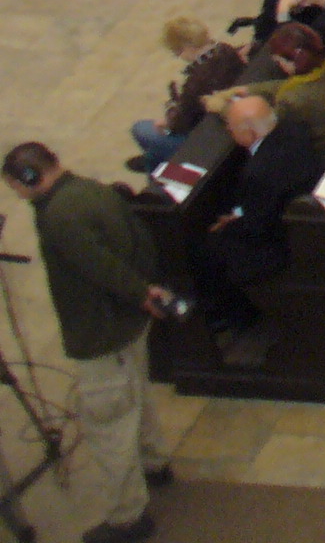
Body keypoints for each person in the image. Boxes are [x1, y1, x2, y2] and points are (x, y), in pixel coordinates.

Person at [5, 141, 171, 543]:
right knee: (137, 396)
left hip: (102, 333)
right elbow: (140, 242)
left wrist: (137, 294)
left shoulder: (60, 216)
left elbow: (101, 267)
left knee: (109, 425)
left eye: (14, 185)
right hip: (129, 325)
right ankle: (155, 464)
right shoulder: (92, 190)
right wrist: (145, 292)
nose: (15, 194)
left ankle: (127, 517)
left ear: (28, 178)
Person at [188, 96, 324, 356]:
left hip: (284, 243)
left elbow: (257, 227)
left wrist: (229, 225)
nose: (228, 132)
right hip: (297, 216)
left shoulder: (259, 172)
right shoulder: (293, 130)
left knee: (206, 249)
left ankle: (233, 315)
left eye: (231, 128)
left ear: (250, 133)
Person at [127, 16, 243, 172]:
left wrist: (170, 109)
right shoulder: (226, 50)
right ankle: (156, 158)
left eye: (177, 51)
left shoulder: (196, 82)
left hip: (208, 139)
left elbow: (180, 124)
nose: (179, 56)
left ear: (188, 47)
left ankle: (157, 167)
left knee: (141, 129)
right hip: (227, 121)